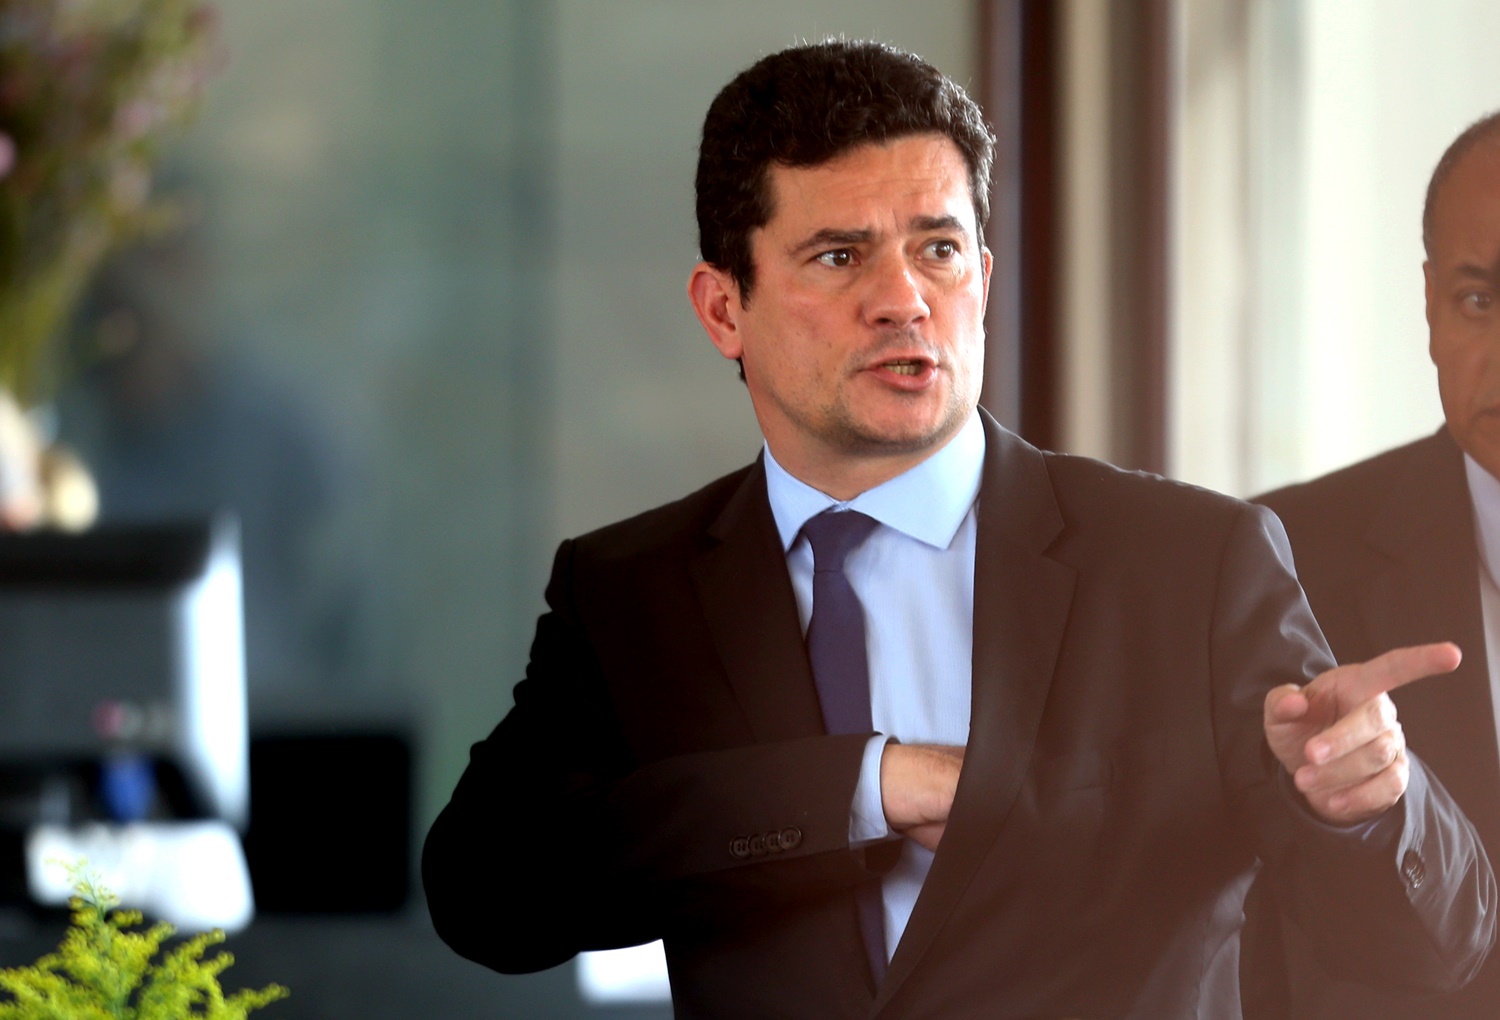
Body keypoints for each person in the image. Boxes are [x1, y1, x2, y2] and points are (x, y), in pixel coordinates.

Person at [423, 41, 1495, 1018]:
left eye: (937, 248)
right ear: (723, 309)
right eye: (840, 257)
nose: (903, 299)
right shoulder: (634, 591)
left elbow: (1430, 952)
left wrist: (1368, 806)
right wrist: (864, 786)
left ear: (981, 278)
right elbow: (486, 893)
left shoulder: (1189, 561)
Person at [1243, 111, 1500, 1020]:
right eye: (1479, 301)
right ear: (1430, 304)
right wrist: (1370, 809)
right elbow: (1252, 940)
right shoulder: (1280, 555)